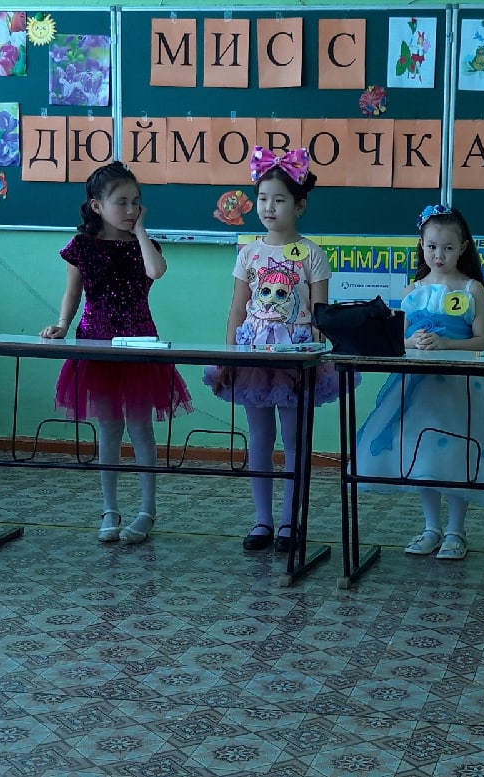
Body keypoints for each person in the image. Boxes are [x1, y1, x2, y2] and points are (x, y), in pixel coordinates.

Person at [354, 205, 484, 561]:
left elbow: (483, 340)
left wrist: (446, 343)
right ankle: (431, 527)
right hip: (419, 388)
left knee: (458, 454)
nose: (439, 255)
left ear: (462, 248)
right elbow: (397, 340)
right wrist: (412, 342)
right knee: (425, 454)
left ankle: (456, 530)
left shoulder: (472, 288)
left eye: (447, 247)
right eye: (431, 247)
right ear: (421, 245)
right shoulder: (413, 289)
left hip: (460, 387)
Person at [41, 162, 193, 544]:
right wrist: (61, 324)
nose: (130, 209)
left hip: (140, 344)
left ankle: (147, 510)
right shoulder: (82, 246)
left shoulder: (144, 246)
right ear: (97, 206)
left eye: (136, 202)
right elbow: (73, 293)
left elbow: (156, 272)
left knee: (141, 426)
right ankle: (109, 509)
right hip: (96, 344)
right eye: (121, 202)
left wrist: (140, 231)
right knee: (109, 427)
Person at [202, 147, 341, 552]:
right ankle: (262, 521)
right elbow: (237, 309)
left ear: (299, 205)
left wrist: (312, 355)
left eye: (279, 200)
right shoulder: (249, 252)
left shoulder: (312, 254)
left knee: (294, 440)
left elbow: (320, 314)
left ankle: (289, 522)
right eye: (262, 198)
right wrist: (229, 356)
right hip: (253, 360)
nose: (268, 207)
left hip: (295, 359)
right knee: (260, 438)